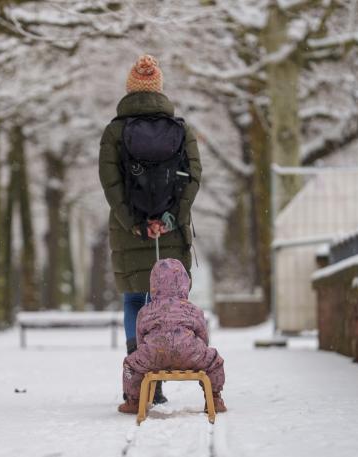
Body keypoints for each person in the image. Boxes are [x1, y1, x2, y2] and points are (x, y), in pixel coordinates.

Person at [98, 54, 202, 404]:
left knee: (133, 300)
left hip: (129, 233)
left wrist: (135, 223)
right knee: (168, 298)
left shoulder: (114, 131)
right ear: (160, 90)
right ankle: (168, 368)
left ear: (130, 90)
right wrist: (171, 218)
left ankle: (139, 379)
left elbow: (110, 184)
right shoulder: (181, 130)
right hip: (171, 232)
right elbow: (193, 179)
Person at [117, 258, 226, 414]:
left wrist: (145, 352)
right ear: (185, 284)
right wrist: (198, 350)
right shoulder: (193, 309)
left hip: (154, 354)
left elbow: (140, 337)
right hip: (190, 353)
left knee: (130, 364)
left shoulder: (146, 310)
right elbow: (203, 336)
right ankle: (215, 398)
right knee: (215, 360)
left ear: (153, 286)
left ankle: (133, 401)